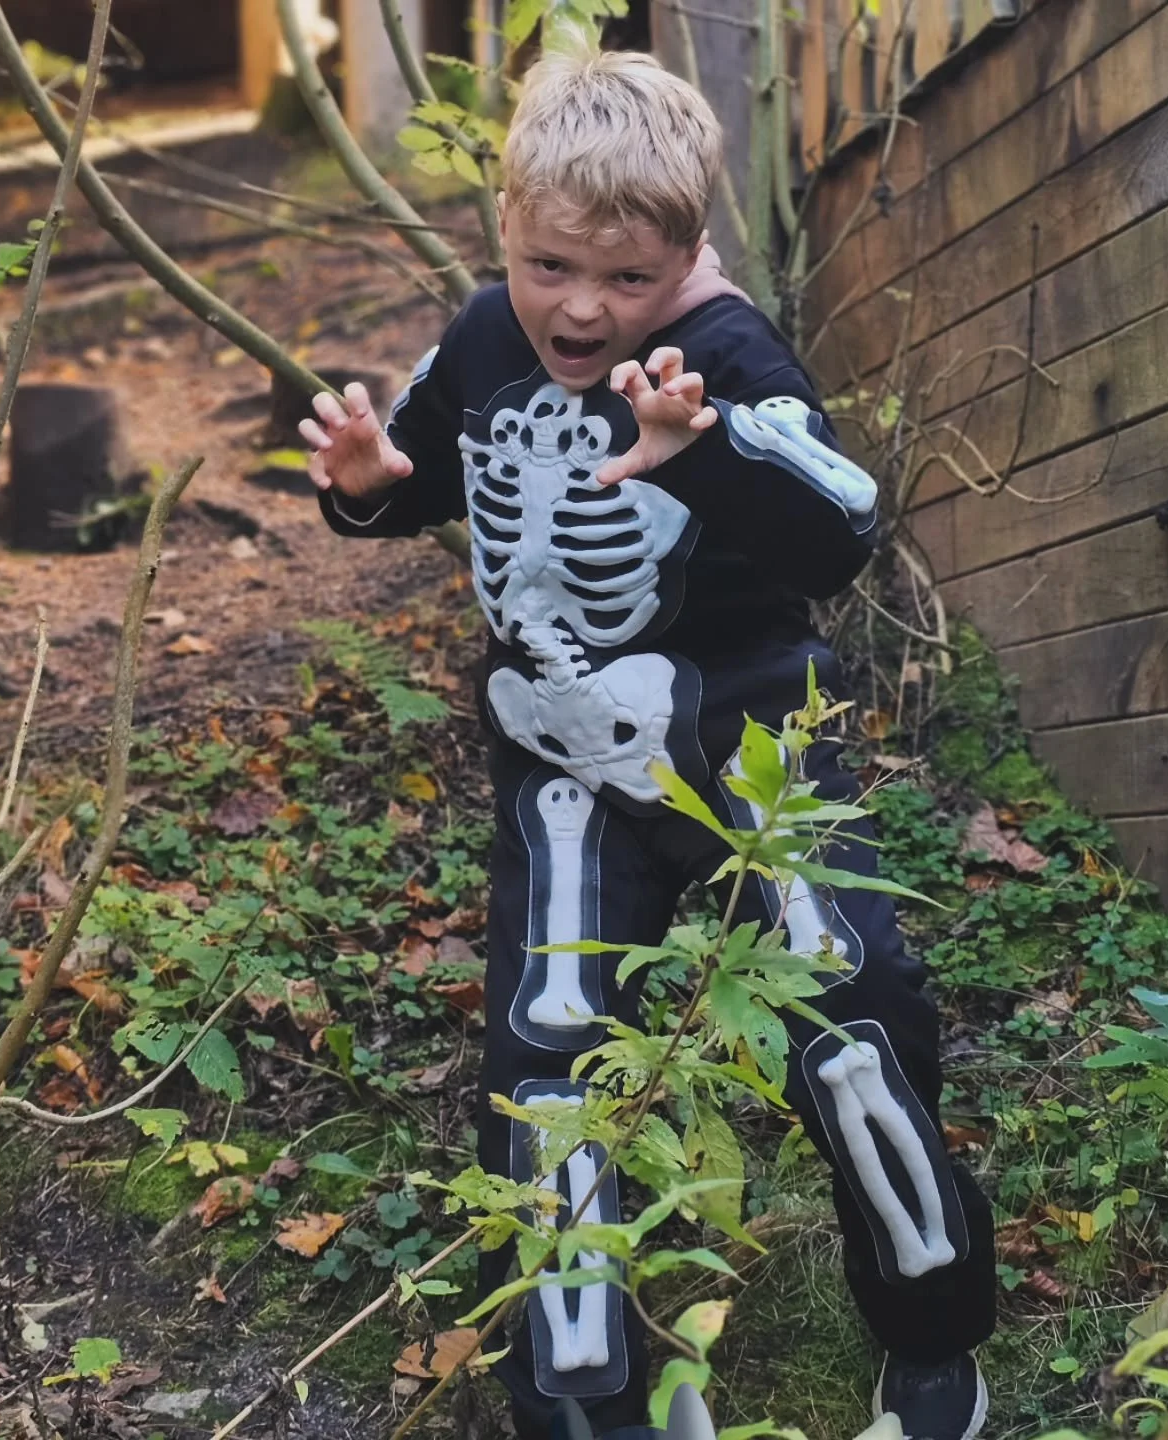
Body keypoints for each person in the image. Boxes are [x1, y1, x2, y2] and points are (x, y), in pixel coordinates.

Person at [302, 37, 996, 1440]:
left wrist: (710, 443)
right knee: (546, 1070)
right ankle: (585, 1402)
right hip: (559, 762)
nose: (583, 308)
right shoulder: (485, 335)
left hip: (744, 745)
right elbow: (433, 466)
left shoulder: (723, 351)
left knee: (853, 1021)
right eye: (553, 265)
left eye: (628, 279)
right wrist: (372, 486)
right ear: (509, 225)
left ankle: (935, 1349)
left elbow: (840, 526)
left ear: (687, 252)